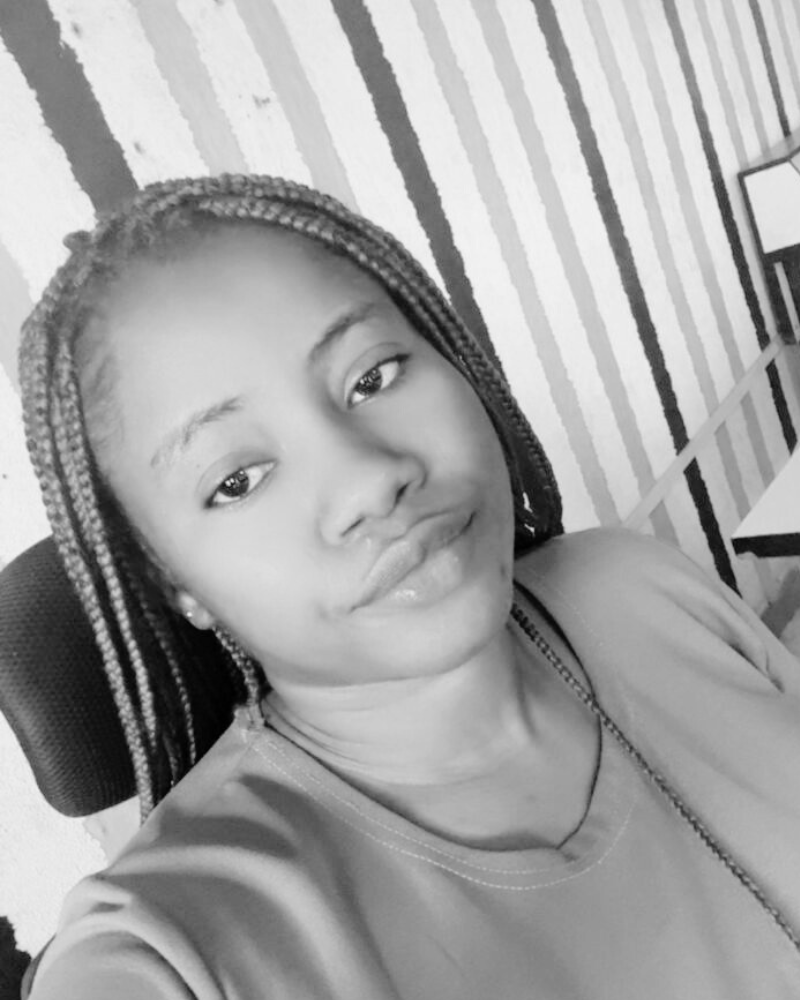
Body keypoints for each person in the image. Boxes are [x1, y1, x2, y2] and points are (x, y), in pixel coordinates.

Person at [18, 174, 800, 999]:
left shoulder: (635, 585)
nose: (370, 480)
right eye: (237, 480)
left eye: (374, 376)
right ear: (175, 584)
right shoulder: (163, 958)